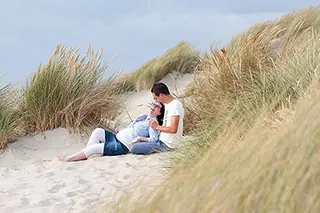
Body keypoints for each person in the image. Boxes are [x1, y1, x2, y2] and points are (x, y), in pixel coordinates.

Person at [56, 101, 165, 162]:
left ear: (159, 113)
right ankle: (89, 153)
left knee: (93, 147)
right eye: (153, 104)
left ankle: (68, 159)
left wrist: (141, 139)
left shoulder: (153, 123)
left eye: (157, 106)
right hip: (116, 138)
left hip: (123, 146)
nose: (154, 106)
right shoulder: (143, 117)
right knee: (98, 131)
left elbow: (154, 140)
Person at [130, 82, 184, 154]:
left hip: (167, 144)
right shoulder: (168, 104)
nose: (156, 101)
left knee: (133, 147)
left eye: (156, 98)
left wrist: (156, 127)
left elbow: (173, 129)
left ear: (161, 95)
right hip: (162, 139)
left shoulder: (175, 106)